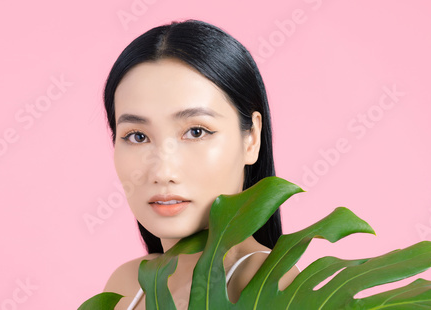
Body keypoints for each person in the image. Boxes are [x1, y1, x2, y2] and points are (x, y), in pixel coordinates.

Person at [99, 19, 299, 309]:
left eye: (196, 132)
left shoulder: (269, 286)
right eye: (138, 136)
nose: (163, 172)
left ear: (251, 139)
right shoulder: (128, 286)